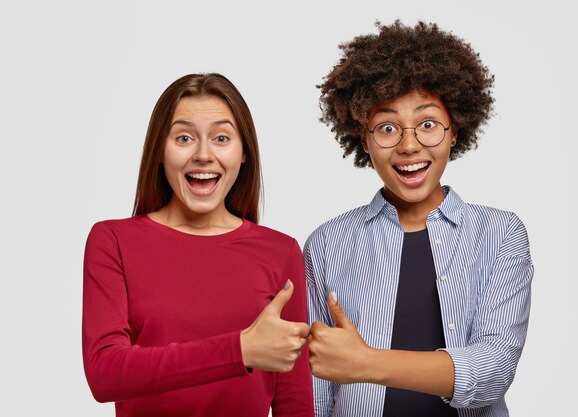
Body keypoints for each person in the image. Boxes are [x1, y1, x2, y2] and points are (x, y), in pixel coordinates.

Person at [305, 21, 533, 417]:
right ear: (364, 140)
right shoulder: (327, 243)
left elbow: (493, 370)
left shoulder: (500, 235)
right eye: (388, 127)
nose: (409, 145)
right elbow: (315, 391)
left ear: (454, 132)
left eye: (427, 124)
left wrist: (365, 363)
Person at [82, 73, 313, 417]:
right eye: (184, 137)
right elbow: (105, 373)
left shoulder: (280, 252)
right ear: (159, 151)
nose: (204, 155)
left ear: (244, 152)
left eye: (221, 138)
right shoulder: (113, 241)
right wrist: (240, 351)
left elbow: (294, 404)